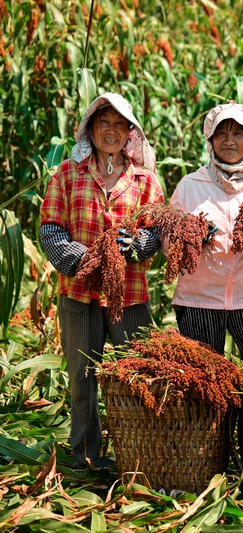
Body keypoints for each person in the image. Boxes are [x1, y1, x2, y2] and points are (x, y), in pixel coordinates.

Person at [39, 92, 163, 469]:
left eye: (118, 124)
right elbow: (50, 228)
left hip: (129, 294)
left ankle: (138, 455)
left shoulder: (144, 179)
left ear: (130, 132)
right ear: (90, 129)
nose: (110, 131)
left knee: (138, 374)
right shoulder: (66, 173)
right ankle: (86, 456)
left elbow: (157, 231)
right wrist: (85, 259)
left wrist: (136, 245)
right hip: (78, 293)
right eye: (102, 123)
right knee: (81, 378)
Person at [168, 103, 243, 463]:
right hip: (198, 300)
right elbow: (167, 243)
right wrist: (190, 238)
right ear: (210, 139)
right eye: (221, 132)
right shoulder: (190, 186)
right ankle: (210, 461)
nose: (229, 140)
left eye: (238, 133)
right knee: (204, 390)